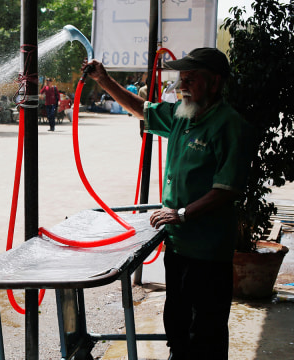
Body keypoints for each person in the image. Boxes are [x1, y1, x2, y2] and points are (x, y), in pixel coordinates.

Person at [83, 47, 253, 360]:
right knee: (177, 324)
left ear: (215, 83)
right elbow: (142, 108)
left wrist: (182, 213)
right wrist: (104, 80)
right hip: (177, 247)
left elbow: (226, 189)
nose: (183, 83)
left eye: (192, 78)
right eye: (181, 77)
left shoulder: (230, 125)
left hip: (207, 251)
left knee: (206, 332)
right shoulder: (181, 115)